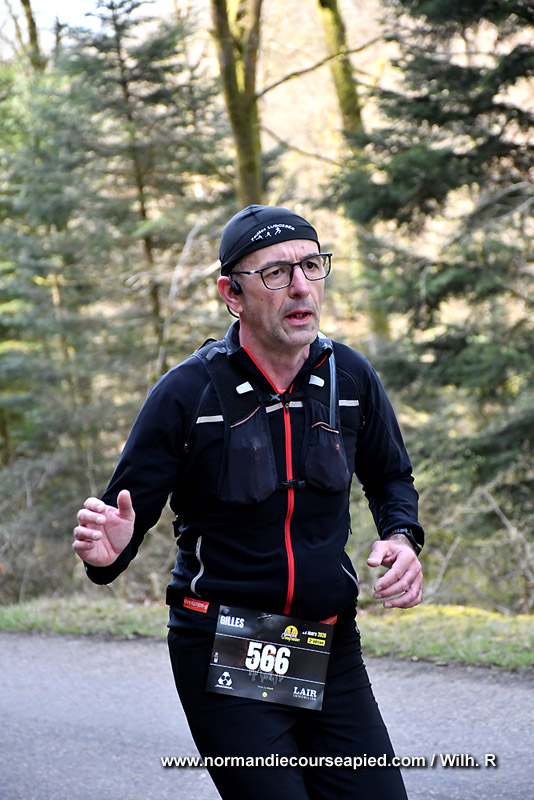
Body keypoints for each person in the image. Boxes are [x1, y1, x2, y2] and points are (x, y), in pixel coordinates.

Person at [73, 204, 424, 800]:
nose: (301, 286)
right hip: (227, 643)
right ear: (231, 294)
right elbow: (119, 524)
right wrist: (109, 552)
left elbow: (392, 477)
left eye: (311, 266)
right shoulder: (187, 394)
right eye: (276, 273)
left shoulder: (350, 377)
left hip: (326, 643)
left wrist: (401, 536)